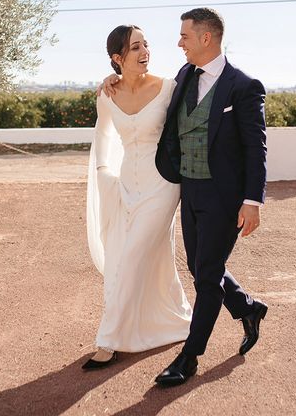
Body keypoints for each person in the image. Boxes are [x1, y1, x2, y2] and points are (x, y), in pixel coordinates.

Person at [103, 8, 268, 387]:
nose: (178, 43)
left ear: (205, 39)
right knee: (198, 266)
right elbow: (140, 86)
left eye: (185, 36)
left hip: (225, 196)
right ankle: (247, 307)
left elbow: (256, 148)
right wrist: (110, 80)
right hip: (185, 190)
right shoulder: (183, 77)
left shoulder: (243, 86)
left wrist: (252, 201)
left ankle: (189, 356)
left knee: (206, 277)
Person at [84, 25, 192, 370]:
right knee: (146, 255)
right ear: (118, 58)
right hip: (125, 185)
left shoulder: (168, 88)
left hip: (162, 184)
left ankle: (108, 340)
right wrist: (103, 172)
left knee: (130, 257)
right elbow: (102, 135)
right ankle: (174, 318)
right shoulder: (107, 94)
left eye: (146, 44)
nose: (145, 50)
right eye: (135, 47)